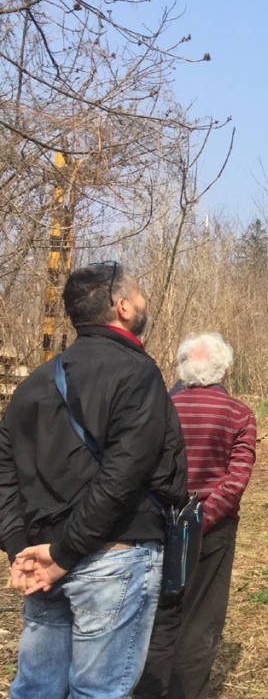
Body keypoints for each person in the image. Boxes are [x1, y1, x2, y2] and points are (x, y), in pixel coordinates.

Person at [0, 262, 187, 698]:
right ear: (122, 307)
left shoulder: (32, 383)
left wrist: (18, 549)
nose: (143, 302)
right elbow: (124, 475)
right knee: (97, 691)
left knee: (35, 690)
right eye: (138, 294)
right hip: (109, 558)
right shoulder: (138, 374)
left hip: (42, 558)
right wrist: (61, 552)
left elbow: (3, 473)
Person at [136, 333, 256, 699]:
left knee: (158, 613)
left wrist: (163, 515)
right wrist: (201, 519)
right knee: (202, 616)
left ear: (182, 367)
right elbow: (236, 479)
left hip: (156, 525)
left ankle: (149, 690)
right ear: (224, 370)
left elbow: (139, 468)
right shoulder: (239, 414)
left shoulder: (158, 410)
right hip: (211, 529)